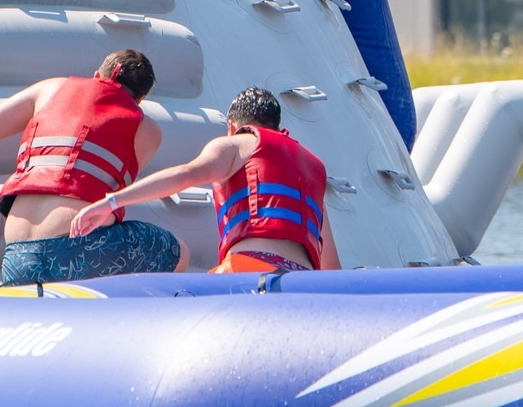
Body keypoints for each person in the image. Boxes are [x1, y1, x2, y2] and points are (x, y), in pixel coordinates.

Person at [0, 49, 185, 284]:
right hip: (82, 252)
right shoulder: (148, 130)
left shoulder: (50, 88)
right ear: (140, 100)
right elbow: (114, 189)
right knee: (178, 253)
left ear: (96, 75)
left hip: (18, 255)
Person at [69, 87, 341, 273]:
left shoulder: (238, 144)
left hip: (248, 269)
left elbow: (184, 175)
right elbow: (331, 267)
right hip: (302, 281)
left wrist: (110, 201)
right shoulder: (313, 167)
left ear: (232, 126)